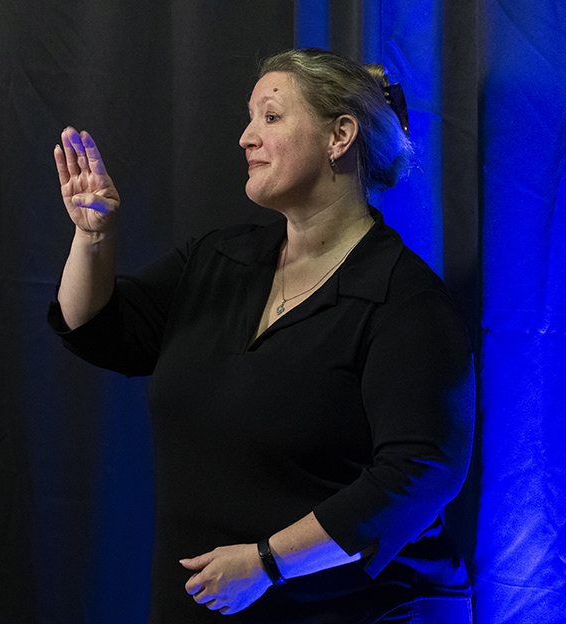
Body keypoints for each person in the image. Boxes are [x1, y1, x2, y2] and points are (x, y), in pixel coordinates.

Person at [48, 48, 475, 623]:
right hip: (210, 603)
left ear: (340, 136)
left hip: (353, 610)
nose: (247, 137)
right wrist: (92, 239)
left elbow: (421, 473)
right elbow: (96, 329)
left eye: (271, 116)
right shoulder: (219, 260)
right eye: (250, 119)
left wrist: (268, 563)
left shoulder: (403, 297)